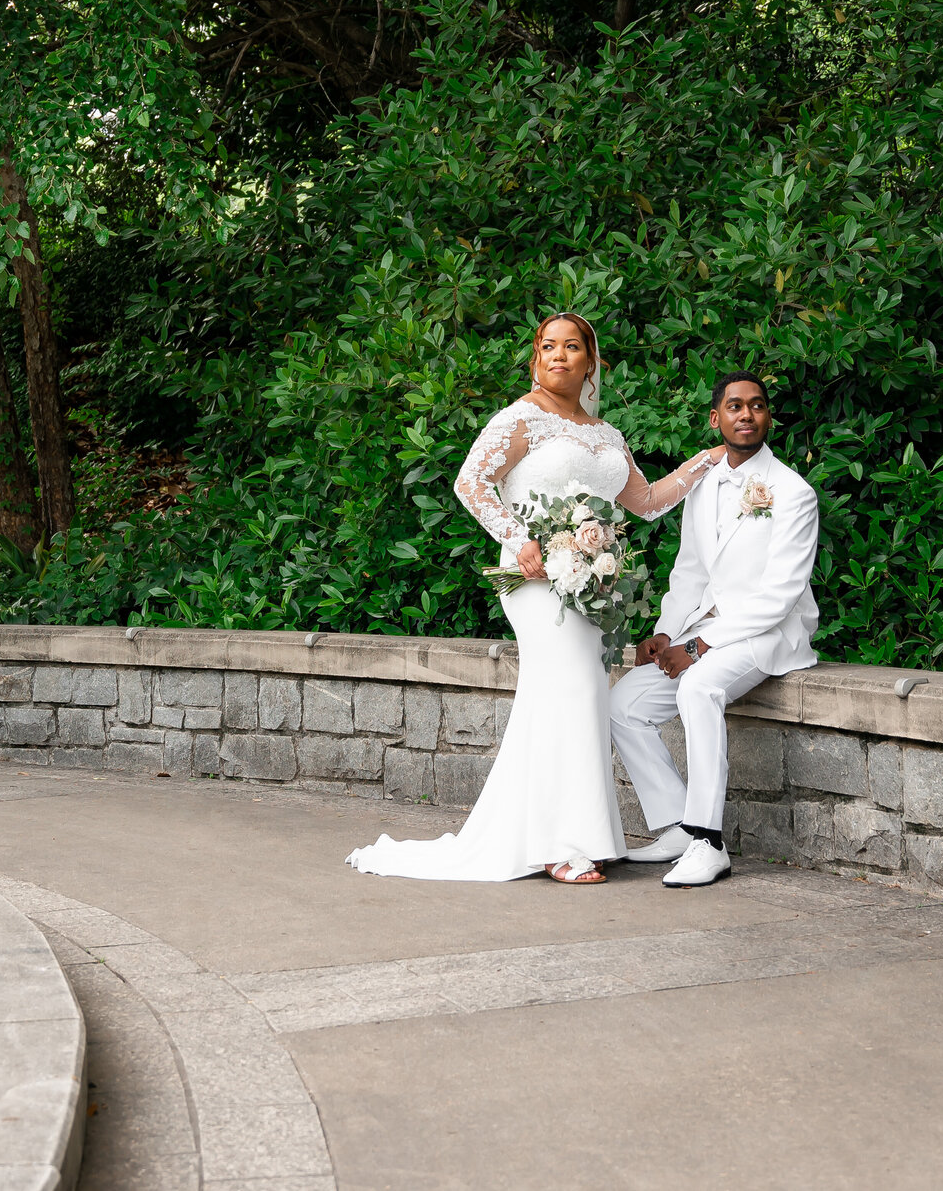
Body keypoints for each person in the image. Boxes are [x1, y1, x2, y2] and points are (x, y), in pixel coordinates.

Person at [347, 314, 722, 885]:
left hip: (589, 587)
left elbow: (645, 501)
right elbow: (470, 483)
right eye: (548, 346)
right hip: (532, 579)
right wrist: (519, 539)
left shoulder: (606, 435)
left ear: (591, 362)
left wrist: (706, 461)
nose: (559, 356)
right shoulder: (521, 418)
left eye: (572, 347)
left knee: (579, 695)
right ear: (535, 359)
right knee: (570, 688)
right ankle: (560, 845)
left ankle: (563, 834)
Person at [610, 372, 819, 888]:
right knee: (625, 704)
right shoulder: (703, 487)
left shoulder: (793, 492)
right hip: (704, 629)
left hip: (768, 633)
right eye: (734, 406)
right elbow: (690, 572)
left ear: (767, 417)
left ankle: (708, 841)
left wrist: (699, 647)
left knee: (699, 685)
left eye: (757, 406)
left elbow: (780, 595)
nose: (746, 414)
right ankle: (678, 825)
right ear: (716, 418)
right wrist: (667, 635)